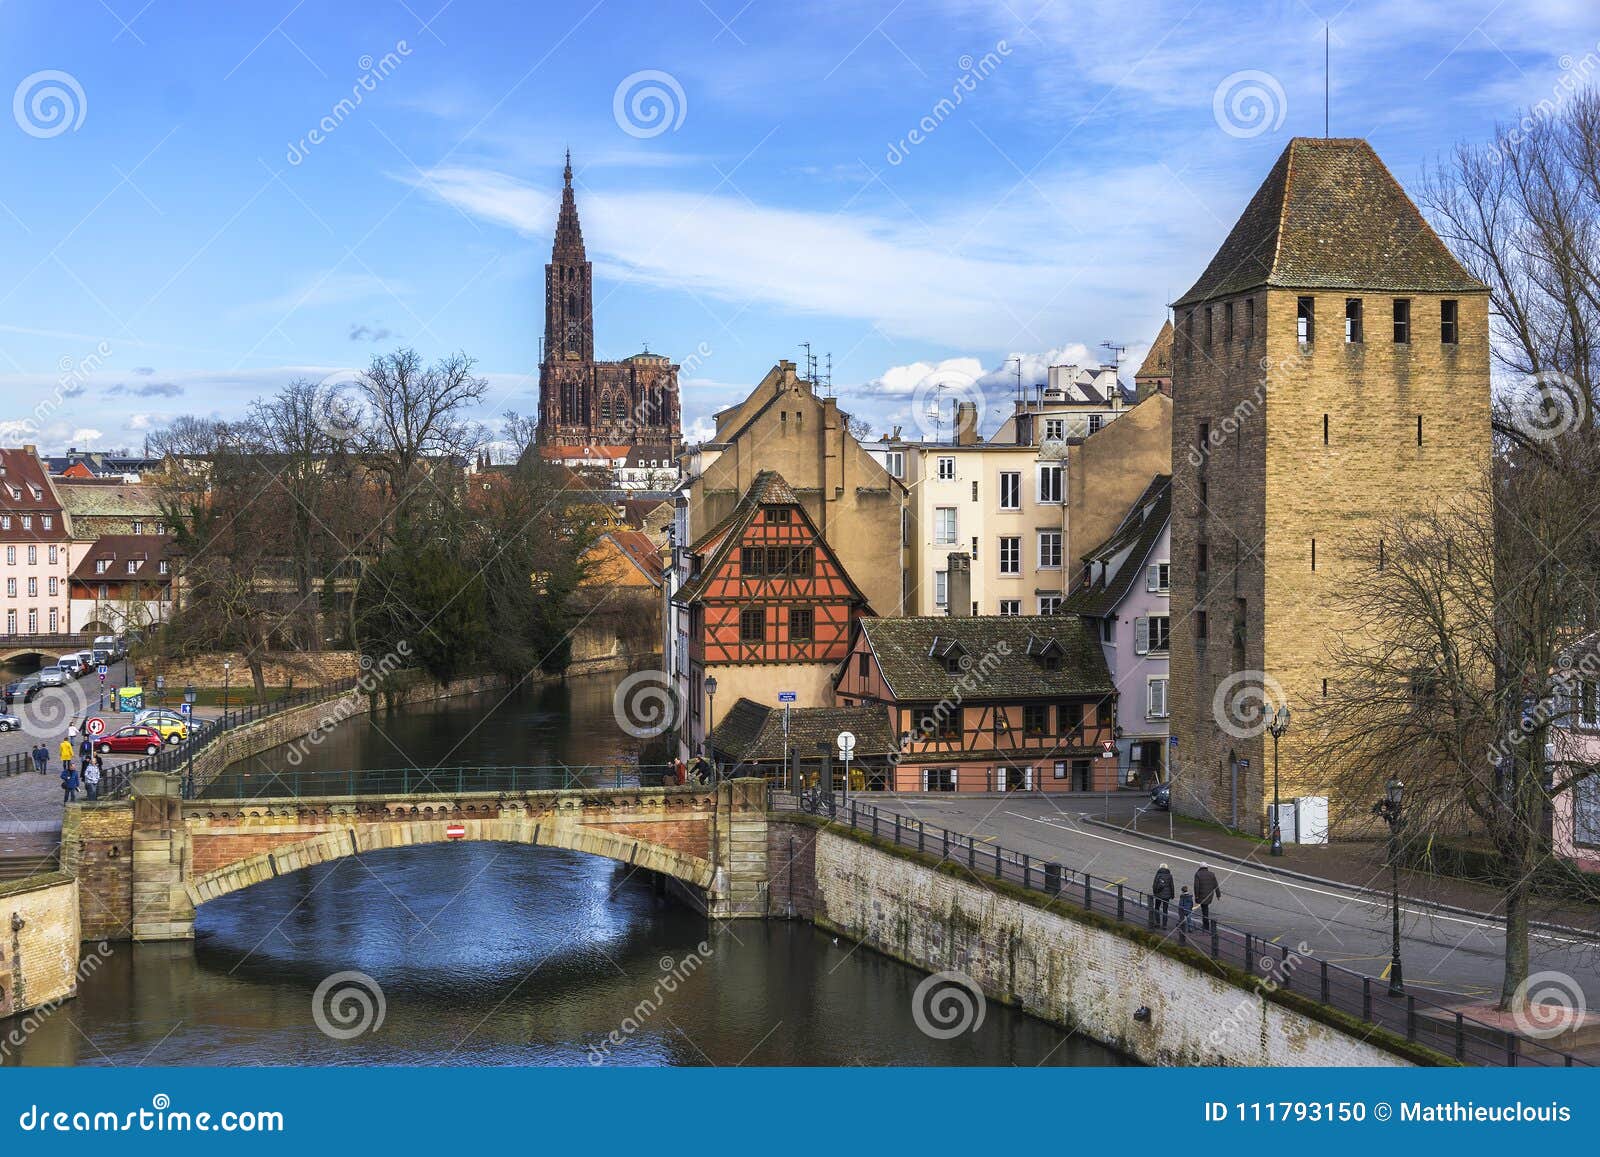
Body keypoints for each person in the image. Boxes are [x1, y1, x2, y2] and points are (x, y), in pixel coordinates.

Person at [1194, 863, 1222, 931]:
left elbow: (1196, 886)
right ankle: (1205, 924)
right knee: (1205, 909)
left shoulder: (1198, 874)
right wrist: (1218, 895)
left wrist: (1196, 896)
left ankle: (1206, 926)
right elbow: (1216, 885)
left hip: (1201, 895)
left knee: (1204, 911)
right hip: (1209, 896)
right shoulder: (1212, 874)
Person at [1149, 862, 1175, 929]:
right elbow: (1172, 886)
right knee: (1165, 910)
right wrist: (1172, 895)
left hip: (1159, 895)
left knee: (1157, 908)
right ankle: (1164, 925)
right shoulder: (1169, 875)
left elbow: (1155, 884)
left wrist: (1155, 893)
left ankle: (1158, 923)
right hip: (1167, 896)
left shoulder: (1158, 874)